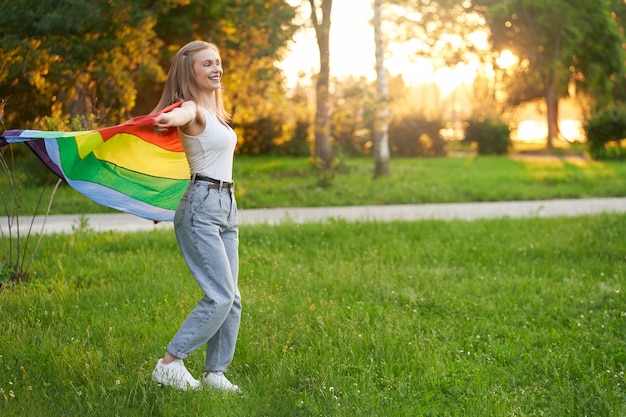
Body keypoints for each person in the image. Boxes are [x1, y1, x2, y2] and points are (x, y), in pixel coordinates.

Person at [149, 40, 242, 392]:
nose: (216, 68)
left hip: (226, 207)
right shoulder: (192, 109)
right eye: (207, 64)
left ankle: (215, 373)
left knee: (232, 299)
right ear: (190, 71)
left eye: (218, 62)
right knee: (219, 294)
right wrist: (167, 119)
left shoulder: (216, 112)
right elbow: (180, 115)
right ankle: (170, 363)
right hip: (201, 206)